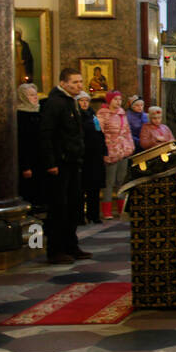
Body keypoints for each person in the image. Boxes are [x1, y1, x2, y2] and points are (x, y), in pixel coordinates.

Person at [40, 66, 92, 264]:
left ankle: (71, 245)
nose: (79, 85)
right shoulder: (54, 103)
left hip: (72, 161)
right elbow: (46, 135)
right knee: (59, 208)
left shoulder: (71, 102)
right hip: (59, 164)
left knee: (73, 205)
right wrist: (50, 162)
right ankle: (56, 250)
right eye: (75, 82)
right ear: (63, 83)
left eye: (80, 81)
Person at [98, 90, 133, 219]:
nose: (118, 102)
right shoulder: (103, 114)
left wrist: (129, 147)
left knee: (121, 181)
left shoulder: (122, 114)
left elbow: (127, 132)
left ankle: (121, 209)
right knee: (109, 182)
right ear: (109, 100)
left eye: (120, 99)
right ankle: (106, 210)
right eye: (115, 99)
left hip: (123, 151)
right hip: (110, 151)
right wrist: (108, 147)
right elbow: (100, 133)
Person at [78, 93, 107, 225]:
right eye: (81, 101)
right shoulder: (76, 115)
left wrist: (104, 150)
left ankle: (93, 214)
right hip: (83, 156)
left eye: (86, 101)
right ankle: (79, 216)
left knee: (94, 187)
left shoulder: (92, 115)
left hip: (95, 157)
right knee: (81, 188)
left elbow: (99, 133)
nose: (84, 103)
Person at [16, 84, 43, 210]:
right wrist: (25, 166)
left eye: (35, 94)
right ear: (23, 97)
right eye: (31, 95)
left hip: (40, 158)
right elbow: (23, 141)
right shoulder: (20, 115)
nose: (35, 97)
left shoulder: (39, 111)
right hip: (28, 159)